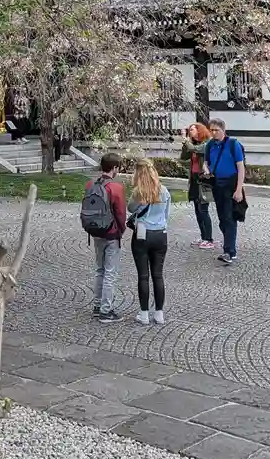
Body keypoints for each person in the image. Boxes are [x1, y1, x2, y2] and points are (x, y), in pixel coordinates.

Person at [80, 154, 127, 323]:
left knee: (99, 270)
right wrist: (121, 230)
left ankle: (97, 306)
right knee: (110, 273)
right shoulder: (116, 187)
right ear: (114, 168)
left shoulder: (90, 184)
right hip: (111, 233)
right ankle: (106, 311)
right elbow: (121, 213)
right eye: (118, 167)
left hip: (95, 231)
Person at [127, 159, 171, 325]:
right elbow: (166, 215)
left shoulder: (138, 193)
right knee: (158, 275)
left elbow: (130, 208)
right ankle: (159, 313)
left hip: (142, 233)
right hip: (160, 234)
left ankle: (144, 313)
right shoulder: (164, 191)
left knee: (143, 275)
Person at [204, 118, 246, 265]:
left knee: (229, 217)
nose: (213, 133)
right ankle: (229, 246)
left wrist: (239, 189)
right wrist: (206, 169)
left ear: (223, 130)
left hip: (231, 183)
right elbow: (206, 162)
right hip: (217, 184)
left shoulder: (233, 144)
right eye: (211, 130)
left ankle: (229, 251)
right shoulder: (210, 145)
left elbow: (241, 167)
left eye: (216, 130)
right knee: (222, 218)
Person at [178, 123, 214, 249]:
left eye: (192, 130)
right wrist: (185, 144)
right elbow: (184, 157)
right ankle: (203, 236)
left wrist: (185, 140)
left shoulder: (207, 143)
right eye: (189, 130)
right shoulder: (193, 144)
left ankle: (209, 239)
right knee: (197, 210)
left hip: (203, 180)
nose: (190, 132)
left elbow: (195, 149)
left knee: (203, 210)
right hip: (194, 180)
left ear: (199, 130)